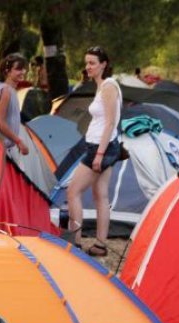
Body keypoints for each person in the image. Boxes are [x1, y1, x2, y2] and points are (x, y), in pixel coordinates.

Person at [66, 46, 122, 256]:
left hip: (101, 147)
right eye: (86, 62)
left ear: (103, 64)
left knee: (72, 191)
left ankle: (76, 242)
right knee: (101, 195)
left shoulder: (108, 87)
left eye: (92, 63)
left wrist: (99, 154)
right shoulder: (102, 86)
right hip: (103, 146)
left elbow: (109, 123)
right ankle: (100, 244)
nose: (87, 67)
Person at [0, 53, 30, 158]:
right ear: (7, 71)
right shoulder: (5, 91)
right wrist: (19, 141)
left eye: (23, 69)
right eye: (18, 69)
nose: (23, 72)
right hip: (0, 150)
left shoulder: (10, 91)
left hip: (5, 150)